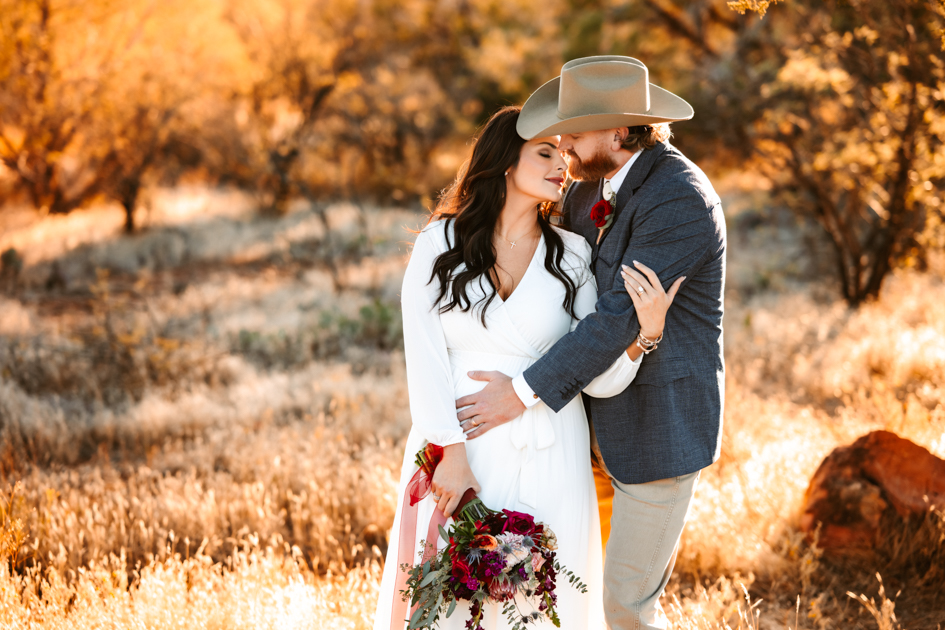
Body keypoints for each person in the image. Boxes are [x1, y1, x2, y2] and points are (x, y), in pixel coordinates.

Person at [373, 105, 683, 630]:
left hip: (550, 449)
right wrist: (450, 453)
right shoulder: (439, 245)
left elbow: (593, 372)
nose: (562, 163)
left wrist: (643, 337)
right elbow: (421, 357)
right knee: (452, 598)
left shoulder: (573, 254)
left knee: (542, 602)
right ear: (502, 162)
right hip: (461, 446)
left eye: (563, 153)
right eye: (545, 152)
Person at [455, 56, 726, 630]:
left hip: (656, 434)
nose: (565, 140)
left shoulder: (679, 200)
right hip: (582, 430)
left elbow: (612, 320)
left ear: (620, 131)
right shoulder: (587, 190)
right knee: (569, 598)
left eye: (576, 129)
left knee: (625, 608)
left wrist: (520, 393)